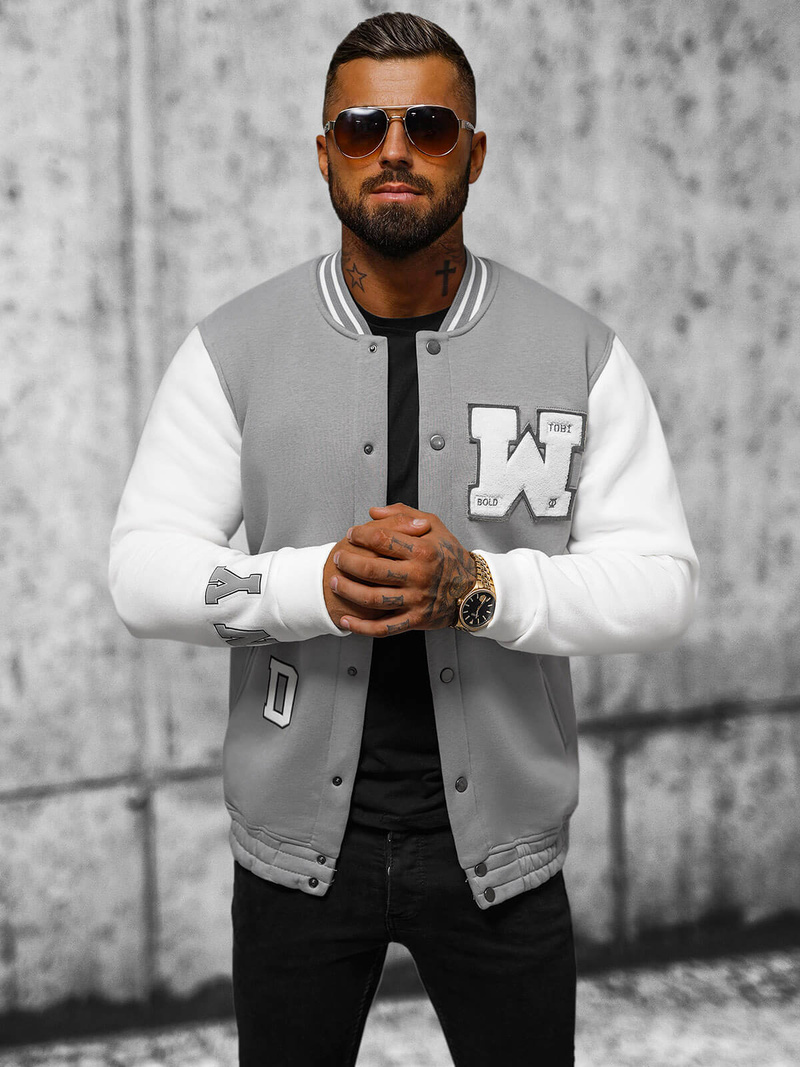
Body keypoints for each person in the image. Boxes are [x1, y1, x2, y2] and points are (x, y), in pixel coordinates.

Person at [108, 12, 698, 1066]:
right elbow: (141, 569)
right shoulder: (233, 349)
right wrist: (310, 587)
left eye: (427, 126)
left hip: (501, 853)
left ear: (474, 151)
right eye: (361, 126)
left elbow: (659, 582)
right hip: (297, 851)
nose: (392, 149)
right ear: (323, 152)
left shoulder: (577, 352)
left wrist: (479, 587)